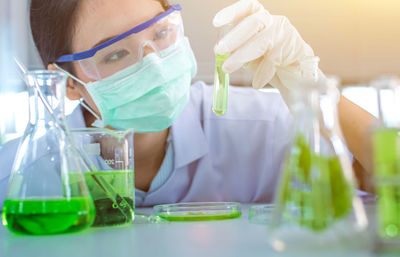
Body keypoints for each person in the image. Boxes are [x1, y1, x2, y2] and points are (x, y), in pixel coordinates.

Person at [0, 0, 375, 208]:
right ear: (69, 83)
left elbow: (388, 176)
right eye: (115, 55)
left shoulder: (257, 126)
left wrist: (313, 90)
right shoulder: (21, 175)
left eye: (162, 33)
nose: (154, 63)